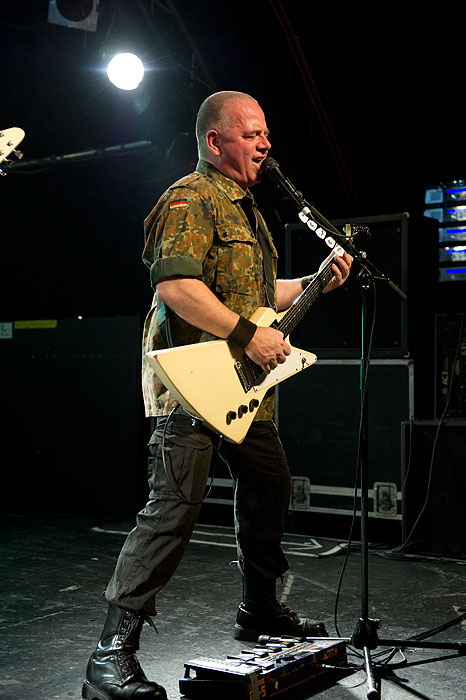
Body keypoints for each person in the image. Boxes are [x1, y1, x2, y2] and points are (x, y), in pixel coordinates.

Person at [82, 90, 353, 700]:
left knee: (270, 487)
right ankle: (109, 655)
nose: (265, 143)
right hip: (191, 387)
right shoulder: (189, 197)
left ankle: (260, 611)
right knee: (174, 507)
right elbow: (177, 287)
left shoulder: (248, 211)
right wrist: (249, 336)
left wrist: (317, 282)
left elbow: (257, 294)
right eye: (252, 133)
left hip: (241, 389)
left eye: (266, 133)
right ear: (215, 140)